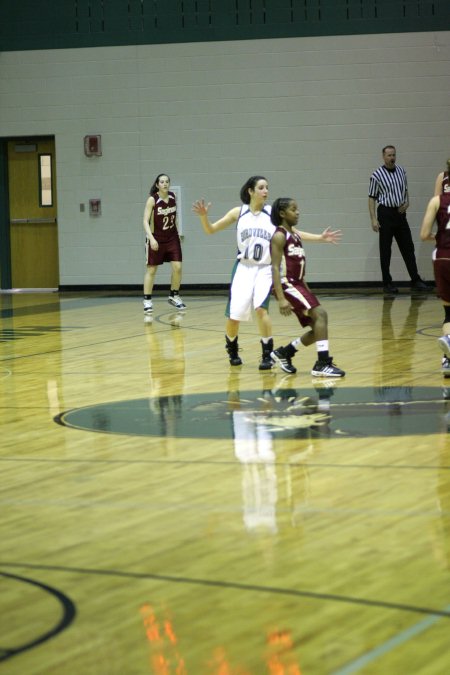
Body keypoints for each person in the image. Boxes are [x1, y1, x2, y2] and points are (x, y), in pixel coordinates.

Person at [192, 176, 275, 370]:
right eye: (261, 188)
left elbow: (293, 232)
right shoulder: (239, 213)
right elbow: (210, 230)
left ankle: (267, 354)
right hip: (243, 268)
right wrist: (204, 217)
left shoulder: (273, 213)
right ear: (250, 191)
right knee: (234, 316)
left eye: (267, 188)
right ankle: (232, 347)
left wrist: (320, 238)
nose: (266, 191)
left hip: (265, 268)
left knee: (261, 310)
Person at [269, 197, 345, 377]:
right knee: (321, 315)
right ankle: (322, 363)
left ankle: (284, 353)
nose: (298, 212)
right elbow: (274, 267)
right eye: (293, 209)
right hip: (287, 285)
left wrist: (306, 288)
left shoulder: (294, 235)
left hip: (298, 284)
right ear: (282, 213)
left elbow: (298, 267)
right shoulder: (279, 235)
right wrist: (280, 298)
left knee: (318, 327)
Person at [368, 145, 428, 294]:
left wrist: (407, 202)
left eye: (393, 155)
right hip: (385, 213)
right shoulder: (376, 175)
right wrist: (373, 219)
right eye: (389, 155)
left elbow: (405, 190)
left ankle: (416, 280)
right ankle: (387, 283)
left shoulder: (401, 171)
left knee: (408, 247)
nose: (392, 158)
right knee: (385, 250)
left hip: (400, 214)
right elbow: (371, 198)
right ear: (383, 156)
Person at [142, 173, 186, 316]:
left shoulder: (173, 197)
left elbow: (175, 217)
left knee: (178, 267)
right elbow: (144, 221)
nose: (165, 184)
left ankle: (174, 295)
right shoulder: (152, 200)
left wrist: (178, 232)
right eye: (162, 182)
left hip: (172, 237)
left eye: (167, 181)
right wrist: (151, 239)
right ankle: (147, 300)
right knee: (152, 270)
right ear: (157, 185)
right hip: (156, 237)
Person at [420, 190, 450, 376]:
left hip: (442, 258)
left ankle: (447, 358)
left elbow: (424, 234)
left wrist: (438, 237)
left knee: (449, 312)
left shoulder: (436, 201)